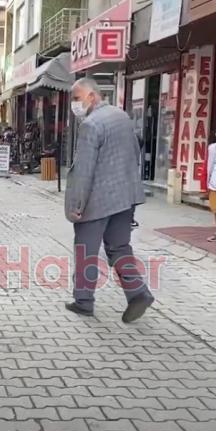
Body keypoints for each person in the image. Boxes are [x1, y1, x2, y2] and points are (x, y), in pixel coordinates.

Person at [64, 77, 154, 323]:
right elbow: (135, 150)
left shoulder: (90, 125)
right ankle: (138, 292)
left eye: (77, 98)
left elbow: (84, 170)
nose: (74, 104)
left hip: (99, 199)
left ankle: (83, 302)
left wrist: (76, 206)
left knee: (86, 250)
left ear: (92, 96)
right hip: (126, 196)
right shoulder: (121, 116)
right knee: (119, 247)